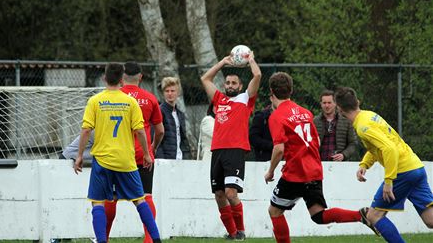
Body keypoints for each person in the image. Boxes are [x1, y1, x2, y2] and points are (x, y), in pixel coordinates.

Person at [264, 72, 377, 243]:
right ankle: (361, 215)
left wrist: (270, 171)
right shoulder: (305, 113)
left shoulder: (277, 116)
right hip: (314, 171)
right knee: (318, 215)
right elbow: (315, 140)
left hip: (295, 173)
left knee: (274, 211)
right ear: (291, 91)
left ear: (271, 92)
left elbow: (278, 149)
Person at [73, 63, 161, 243]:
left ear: (104, 78)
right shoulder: (130, 102)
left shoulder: (95, 101)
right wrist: (146, 154)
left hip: (103, 160)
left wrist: (80, 155)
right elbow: (140, 131)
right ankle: (156, 239)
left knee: (98, 202)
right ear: (122, 79)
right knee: (140, 200)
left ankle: (102, 240)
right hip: (126, 161)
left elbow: (86, 130)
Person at [334, 86, 433, 243]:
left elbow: (389, 148)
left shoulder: (362, 127)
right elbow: (380, 146)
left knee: (373, 215)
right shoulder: (369, 115)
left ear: (339, 109)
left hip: (403, 172)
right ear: (357, 102)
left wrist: (389, 181)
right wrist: (365, 164)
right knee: (430, 220)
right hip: (415, 167)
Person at [200, 51, 261, 241]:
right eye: (227, 83)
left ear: (240, 86)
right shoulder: (219, 99)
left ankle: (241, 231)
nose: (230, 85)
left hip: (235, 150)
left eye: (234, 83)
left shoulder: (245, 99)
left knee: (230, 193)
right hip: (217, 150)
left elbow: (257, 75)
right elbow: (205, 78)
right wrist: (223, 62)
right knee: (219, 194)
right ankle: (232, 233)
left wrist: (250, 60)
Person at [104, 61, 165, 243]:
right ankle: (149, 239)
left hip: (117, 156)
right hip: (141, 155)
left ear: (122, 78)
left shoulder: (112, 96)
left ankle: (103, 238)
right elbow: (160, 130)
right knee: (146, 196)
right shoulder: (151, 98)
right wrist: (152, 148)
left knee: (111, 198)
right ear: (141, 77)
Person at [313, 90, 358, 161]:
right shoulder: (314, 121)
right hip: (319, 163)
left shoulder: (346, 121)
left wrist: (344, 155)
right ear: (321, 104)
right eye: (324, 103)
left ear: (335, 104)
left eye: (329, 103)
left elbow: (353, 143)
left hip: (340, 164)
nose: (327, 105)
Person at [155, 77, 191, 160]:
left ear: (178, 93)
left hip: (180, 158)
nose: (170, 93)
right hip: (166, 159)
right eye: (167, 91)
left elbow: (182, 139)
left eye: (172, 91)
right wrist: (161, 159)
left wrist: (186, 157)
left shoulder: (180, 114)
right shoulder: (159, 111)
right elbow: (156, 138)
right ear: (163, 93)